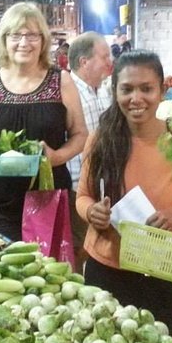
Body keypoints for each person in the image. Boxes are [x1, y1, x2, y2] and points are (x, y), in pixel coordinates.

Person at [76, 50, 172, 337]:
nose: (136, 98)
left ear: (163, 91)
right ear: (115, 92)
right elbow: (83, 196)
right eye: (126, 89)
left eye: (146, 89)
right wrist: (92, 212)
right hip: (107, 268)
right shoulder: (100, 140)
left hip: (164, 272)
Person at [0, 2, 88, 241]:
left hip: (46, 198)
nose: (24, 43)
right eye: (16, 35)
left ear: (43, 40)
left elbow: (80, 135)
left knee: (43, 271)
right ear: (4, 40)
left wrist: (56, 158)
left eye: (32, 35)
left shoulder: (61, 82)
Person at [65, 31, 114, 271]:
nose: (109, 62)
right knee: (79, 248)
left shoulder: (101, 91)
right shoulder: (70, 93)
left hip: (99, 187)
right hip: (76, 188)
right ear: (84, 62)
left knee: (91, 247)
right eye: (104, 56)